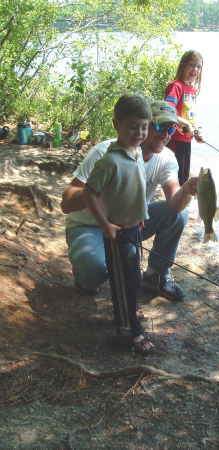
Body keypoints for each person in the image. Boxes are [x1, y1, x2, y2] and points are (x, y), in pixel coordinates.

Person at [61, 100, 197, 305]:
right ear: (143, 124)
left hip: (128, 225)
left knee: (180, 214)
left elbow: (175, 204)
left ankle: (155, 275)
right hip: (89, 225)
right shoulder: (105, 152)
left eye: (171, 128)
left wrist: (188, 189)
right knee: (93, 276)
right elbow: (66, 203)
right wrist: (102, 187)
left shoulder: (166, 159)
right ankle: (94, 270)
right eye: (159, 127)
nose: (165, 135)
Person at [82, 93, 153, 353]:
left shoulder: (136, 153)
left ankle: (129, 313)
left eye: (144, 127)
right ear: (117, 125)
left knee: (133, 277)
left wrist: (142, 216)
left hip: (134, 228)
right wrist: (105, 225)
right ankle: (131, 333)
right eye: (133, 126)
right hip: (117, 233)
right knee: (123, 282)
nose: (139, 132)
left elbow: (135, 190)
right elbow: (88, 192)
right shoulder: (110, 160)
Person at [165, 50, 203, 186]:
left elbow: (188, 115)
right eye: (192, 65)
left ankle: (179, 204)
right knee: (176, 178)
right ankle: (175, 205)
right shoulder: (176, 86)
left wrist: (195, 130)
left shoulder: (191, 90)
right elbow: (168, 111)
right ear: (183, 66)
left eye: (199, 67)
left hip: (186, 140)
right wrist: (186, 124)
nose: (195, 70)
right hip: (175, 138)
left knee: (184, 177)